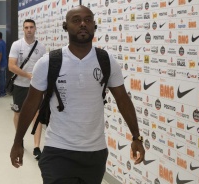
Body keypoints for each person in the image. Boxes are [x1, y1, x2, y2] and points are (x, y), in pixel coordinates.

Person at [10, 5, 145, 184]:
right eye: (76, 20)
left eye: (88, 20)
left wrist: (136, 136)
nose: (83, 24)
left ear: (94, 26)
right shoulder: (48, 62)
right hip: (58, 151)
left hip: (95, 154)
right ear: (65, 26)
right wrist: (18, 141)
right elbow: (31, 103)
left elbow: (122, 100)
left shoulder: (107, 61)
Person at [8, 19, 46, 160]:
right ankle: (20, 139)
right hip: (20, 85)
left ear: (35, 29)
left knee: (37, 116)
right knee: (18, 113)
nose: (29, 29)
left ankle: (37, 147)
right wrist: (28, 75)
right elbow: (11, 66)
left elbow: (44, 67)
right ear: (23, 29)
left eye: (31, 27)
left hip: (36, 88)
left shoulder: (41, 47)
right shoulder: (17, 45)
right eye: (26, 27)